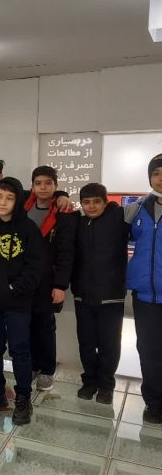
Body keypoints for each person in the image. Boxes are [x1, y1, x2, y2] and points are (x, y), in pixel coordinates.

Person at [0, 177, 44, 425]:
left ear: (17, 201)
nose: (2, 202)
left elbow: (36, 267)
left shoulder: (28, 228)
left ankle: (23, 398)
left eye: (9, 198)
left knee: (19, 350)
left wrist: (15, 288)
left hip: (18, 302)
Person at [72, 183, 128, 404]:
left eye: (97, 201)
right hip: (82, 295)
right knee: (86, 342)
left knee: (109, 344)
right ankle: (89, 381)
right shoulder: (77, 222)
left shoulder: (118, 218)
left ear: (106, 202)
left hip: (111, 295)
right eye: (86, 202)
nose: (92, 206)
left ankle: (106, 385)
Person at [24, 166, 76, 392]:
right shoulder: (23, 207)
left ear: (55, 185)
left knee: (45, 325)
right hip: (24, 278)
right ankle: (33, 366)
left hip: (48, 279)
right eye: (38, 183)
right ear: (32, 186)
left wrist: (60, 285)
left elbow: (66, 253)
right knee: (26, 324)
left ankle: (47, 370)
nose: (43, 187)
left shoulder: (65, 214)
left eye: (48, 183)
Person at [125, 154, 162, 424]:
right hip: (144, 295)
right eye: (156, 173)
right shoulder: (137, 209)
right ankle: (154, 402)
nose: (161, 178)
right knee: (148, 350)